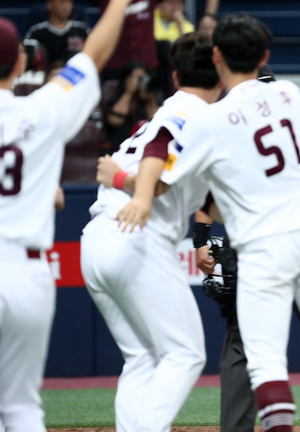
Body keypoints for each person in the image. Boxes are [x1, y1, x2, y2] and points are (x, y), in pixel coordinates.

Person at [116, 13, 300, 432]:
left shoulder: (209, 121)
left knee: (265, 360)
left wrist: (119, 178)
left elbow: (160, 176)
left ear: (216, 57)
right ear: (264, 56)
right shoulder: (289, 95)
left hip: (265, 244)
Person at [0, 1, 131, 431]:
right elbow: (91, 57)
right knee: (21, 408)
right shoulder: (42, 108)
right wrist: (119, 5)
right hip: (30, 276)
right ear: (20, 61)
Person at [81, 32, 222, 432]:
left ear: (175, 76)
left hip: (97, 240)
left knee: (143, 357)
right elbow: (158, 173)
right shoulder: (193, 114)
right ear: (222, 76)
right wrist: (127, 180)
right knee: (186, 354)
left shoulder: (173, 108)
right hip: (136, 236)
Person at [103, 61, 159, 155]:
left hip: (144, 150)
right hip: (120, 150)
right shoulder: (115, 100)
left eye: (142, 78)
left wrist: (149, 99)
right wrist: (129, 93)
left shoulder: (148, 101)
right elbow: (115, 120)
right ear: (125, 80)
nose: (139, 82)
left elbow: (158, 123)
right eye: (135, 78)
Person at [24, 0, 91, 65]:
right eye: (62, 1)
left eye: (70, 2)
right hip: (45, 74)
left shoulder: (82, 30)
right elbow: (27, 57)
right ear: (49, 4)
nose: (67, 6)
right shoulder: (36, 32)